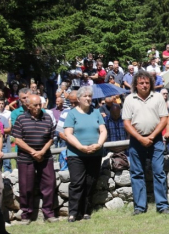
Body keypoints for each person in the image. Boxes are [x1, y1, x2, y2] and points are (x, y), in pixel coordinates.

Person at [122, 70, 169, 215]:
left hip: (155, 140)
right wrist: (140, 138)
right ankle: (139, 207)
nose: (144, 85)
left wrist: (152, 136)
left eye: (147, 83)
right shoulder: (129, 99)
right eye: (141, 83)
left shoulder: (157, 98)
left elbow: (164, 119)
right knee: (137, 173)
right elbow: (126, 123)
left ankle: (162, 205)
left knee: (159, 172)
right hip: (136, 141)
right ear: (136, 85)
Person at [12, 95, 58, 224]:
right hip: (26, 157)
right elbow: (18, 140)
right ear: (28, 106)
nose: (39, 107)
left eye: (40, 104)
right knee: (26, 186)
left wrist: (42, 152)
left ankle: (49, 213)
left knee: (49, 184)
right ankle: (26, 214)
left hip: (45, 156)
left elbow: (51, 137)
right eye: (35, 105)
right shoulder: (21, 119)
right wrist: (33, 152)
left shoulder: (47, 118)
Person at [64, 86, 107, 222]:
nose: (88, 98)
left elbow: (103, 131)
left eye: (90, 96)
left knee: (90, 182)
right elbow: (68, 134)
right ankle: (73, 212)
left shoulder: (96, 113)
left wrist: (99, 144)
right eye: (85, 96)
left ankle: (86, 211)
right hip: (76, 154)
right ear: (78, 99)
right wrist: (80, 147)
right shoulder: (72, 114)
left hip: (94, 153)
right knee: (77, 183)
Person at [0, 99, 12, 173]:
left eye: (2, 103)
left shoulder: (3, 118)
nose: (1, 105)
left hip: (3, 144)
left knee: (7, 162)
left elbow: (9, 129)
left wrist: (1, 131)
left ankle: (8, 177)